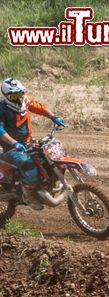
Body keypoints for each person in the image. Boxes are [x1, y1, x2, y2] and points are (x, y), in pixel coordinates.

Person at [0, 78, 66, 210]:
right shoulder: (2, 109)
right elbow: (0, 131)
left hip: (27, 142)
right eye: (14, 96)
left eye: (20, 94)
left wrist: (53, 117)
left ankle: (50, 182)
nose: (18, 98)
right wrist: (15, 144)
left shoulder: (25, 101)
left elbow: (39, 108)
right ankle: (28, 197)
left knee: (48, 156)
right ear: (7, 96)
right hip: (9, 147)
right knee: (30, 166)